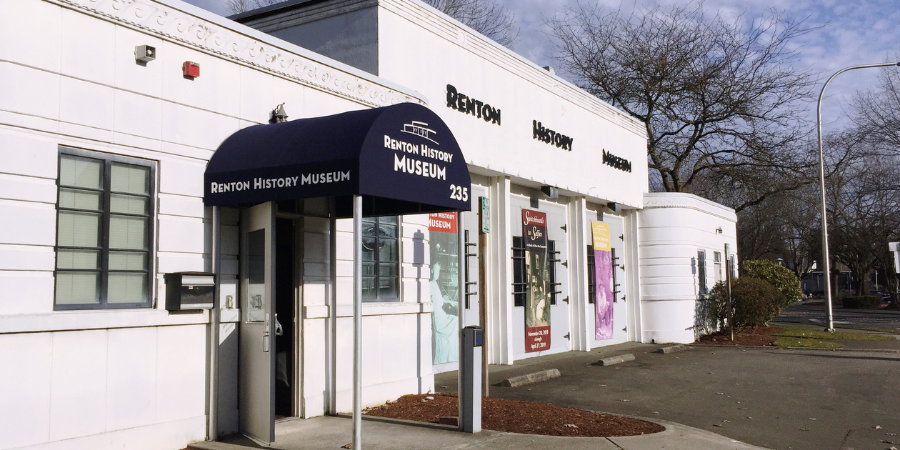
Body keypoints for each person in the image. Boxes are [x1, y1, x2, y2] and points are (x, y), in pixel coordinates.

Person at [431, 260, 458, 364]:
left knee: (456, 319)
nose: (438, 273)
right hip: (438, 318)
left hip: (442, 314)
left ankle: (452, 354)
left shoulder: (435, 284)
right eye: (436, 270)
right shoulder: (430, 285)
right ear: (431, 271)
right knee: (455, 321)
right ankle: (449, 355)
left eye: (439, 271)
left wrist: (451, 302)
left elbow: (440, 299)